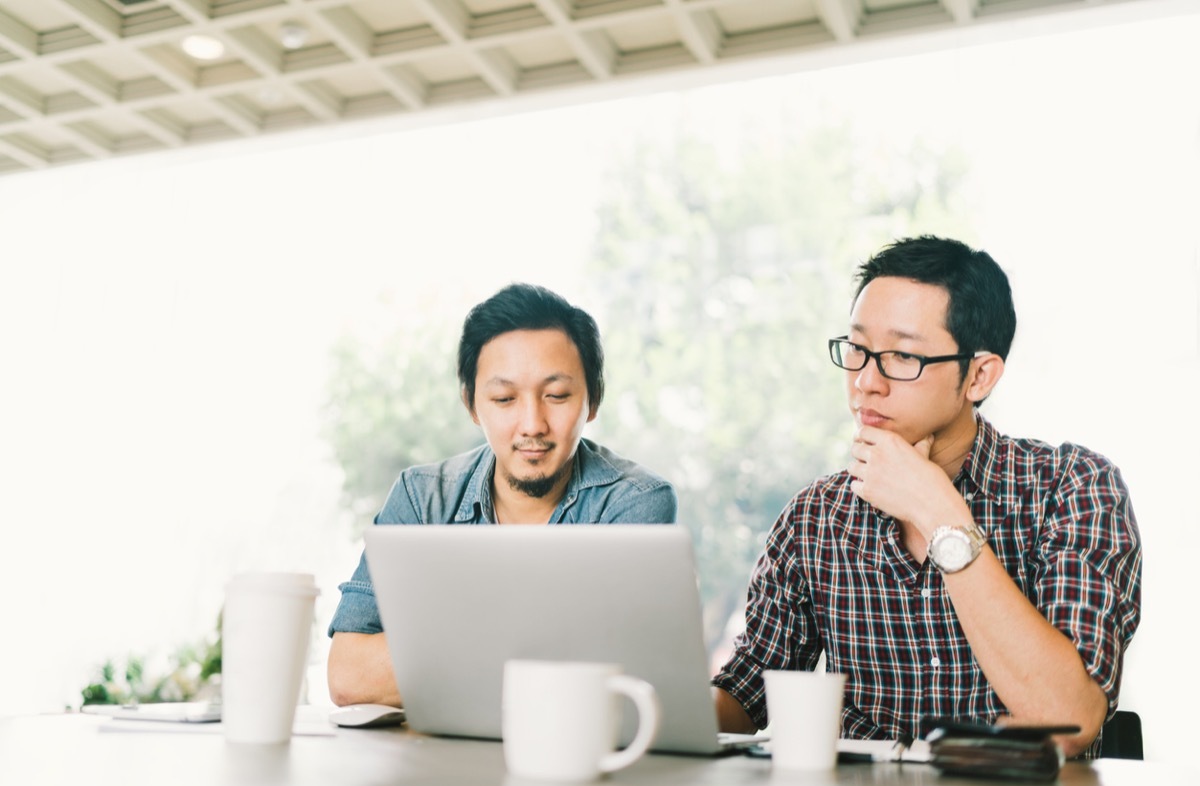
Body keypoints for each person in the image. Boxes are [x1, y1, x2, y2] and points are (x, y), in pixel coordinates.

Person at [712, 236, 1141, 758]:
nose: (865, 382)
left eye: (901, 356)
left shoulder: (1073, 487)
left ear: (979, 375)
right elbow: (746, 692)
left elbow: (1067, 719)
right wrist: (648, 710)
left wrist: (937, 511)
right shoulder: (816, 516)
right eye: (857, 349)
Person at [327, 283, 678, 707]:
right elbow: (349, 677)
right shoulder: (421, 499)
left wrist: (434, 642)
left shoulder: (635, 502)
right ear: (472, 405)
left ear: (593, 400)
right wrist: (543, 637)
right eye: (504, 398)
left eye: (556, 396)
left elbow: (618, 681)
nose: (532, 424)